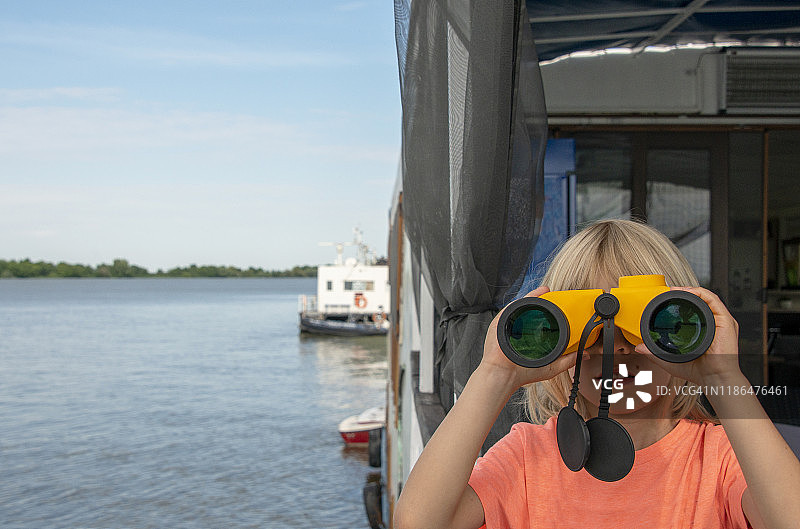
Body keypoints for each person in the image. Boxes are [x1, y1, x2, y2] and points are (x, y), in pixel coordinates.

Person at [394, 219, 800, 529]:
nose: (618, 347)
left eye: (647, 323)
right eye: (591, 328)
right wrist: (495, 374)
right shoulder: (526, 457)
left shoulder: (721, 457)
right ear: (560, 339)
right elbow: (419, 523)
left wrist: (720, 377)